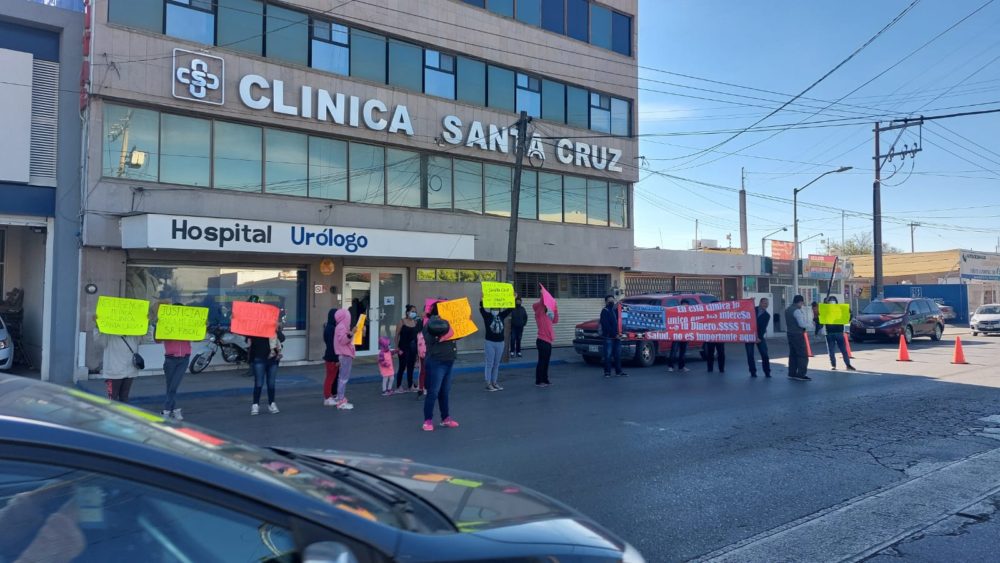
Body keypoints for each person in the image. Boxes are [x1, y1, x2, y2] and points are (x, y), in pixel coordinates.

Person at [422, 305, 459, 431]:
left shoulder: (448, 322)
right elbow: (430, 339)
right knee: (433, 392)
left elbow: (457, 335)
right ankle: (427, 420)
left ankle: (445, 418)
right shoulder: (430, 324)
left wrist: (465, 322)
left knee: (445, 391)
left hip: (449, 360)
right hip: (437, 361)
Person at [247, 296, 284, 415]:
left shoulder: (272, 326)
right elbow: (244, 335)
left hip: (272, 358)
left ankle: (271, 403)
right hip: (259, 357)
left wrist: (276, 329)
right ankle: (255, 405)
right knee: (259, 382)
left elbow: (282, 338)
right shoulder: (253, 327)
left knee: (271, 383)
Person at [93, 314, 142, 402]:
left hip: (129, 372)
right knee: (113, 400)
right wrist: (97, 325)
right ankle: (112, 416)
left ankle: (122, 415)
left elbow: (146, 338)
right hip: (114, 373)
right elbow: (99, 341)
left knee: (124, 398)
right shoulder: (109, 334)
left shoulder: (134, 333)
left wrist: (148, 323)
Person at [156, 303, 191, 419]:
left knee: (173, 385)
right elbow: (157, 340)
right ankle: (174, 409)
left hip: (184, 358)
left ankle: (166, 410)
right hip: (170, 358)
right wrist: (159, 326)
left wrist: (202, 326)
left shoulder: (187, 324)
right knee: (171, 386)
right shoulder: (166, 324)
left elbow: (198, 337)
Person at [480, 301, 512, 391]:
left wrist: (513, 298)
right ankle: (488, 383)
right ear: (490, 309)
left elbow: (510, 308)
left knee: (496, 364)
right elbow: (481, 309)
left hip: (500, 343)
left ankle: (494, 382)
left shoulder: (501, 315)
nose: (495, 310)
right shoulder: (487, 316)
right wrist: (482, 300)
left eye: (497, 308)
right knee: (489, 363)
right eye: (493, 308)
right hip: (490, 342)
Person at [824, 296, 857, 371]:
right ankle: (833, 365)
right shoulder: (825, 310)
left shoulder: (840, 309)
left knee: (843, 350)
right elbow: (820, 320)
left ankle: (847, 365)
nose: (832, 302)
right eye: (831, 301)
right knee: (832, 351)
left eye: (833, 301)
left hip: (838, 332)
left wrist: (849, 312)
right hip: (830, 333)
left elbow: (848, 318)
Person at [333, 308, 357, 409]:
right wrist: (351, 333)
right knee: (343, 378)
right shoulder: (342, 327)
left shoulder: (341, 326)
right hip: (345, 354)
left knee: (342, 378)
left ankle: (340, 397)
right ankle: (341, 401)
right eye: (348, 316)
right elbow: (343, 340)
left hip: (344, 354)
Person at [599, 294, 627, 378]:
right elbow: (606, 326)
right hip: (609, 337)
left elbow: (621, 322)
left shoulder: (616, 311)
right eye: (610, 300)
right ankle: (607, 372)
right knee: (608, 355)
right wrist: (614, 335)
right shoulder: (605, 311)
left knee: (617, 355)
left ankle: (619, 372)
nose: (611, 301)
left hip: (617, 337)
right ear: (606, 302)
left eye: (612, 300)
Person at [394, 305, 421, 392]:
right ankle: (398, 386)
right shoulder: (402, 322)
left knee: (411, 367)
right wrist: (397, 347)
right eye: (412, 311)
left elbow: (417, 337)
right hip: (403, 347)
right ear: (407, 312)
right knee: (402, 367)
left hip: (412, 348)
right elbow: (397, 335)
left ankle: (410, 385)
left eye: (415, 312)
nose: (414, 313)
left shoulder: (415, 322)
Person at [532, 297, 558, 387]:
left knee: (546, 362)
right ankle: (538, 381)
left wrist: (555, 308)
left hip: (548, 341)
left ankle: (545, 379)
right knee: (542, 361)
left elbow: (555, 320)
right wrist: (543, 295)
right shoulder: (539, 314)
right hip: (542, 340)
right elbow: (540, 304)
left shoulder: (548, 315)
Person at [786, 295, 812, 381]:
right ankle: (801, 374)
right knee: (802, 355)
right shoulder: (797, 311)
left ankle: (792, 373)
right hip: (798, 334)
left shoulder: (788, 309)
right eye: (802, 303)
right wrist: (811, 325)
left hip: (790, 333)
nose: (802, 305)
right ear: (800, 302)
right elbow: (801, 324)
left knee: (792, 354)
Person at [746, 297, 772, 378]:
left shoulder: (767, 315)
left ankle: (767, 372)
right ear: (760, 303)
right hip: (749, 336)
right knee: (750, 355)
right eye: (764, 303)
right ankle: (753, 372)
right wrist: (749, 301)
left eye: (767, 303)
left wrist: (759, 338)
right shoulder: (752, 310)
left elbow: (763, 328)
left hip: (759, 337)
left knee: (764, 354)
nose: (766, 305)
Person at [322, 307, 340, 406]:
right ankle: (328, 397)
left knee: (331, 377)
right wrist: (337, 358)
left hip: (329, 355)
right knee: (330, 378)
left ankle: (330, 396)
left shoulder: (328, 327)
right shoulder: (332, 329)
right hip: (332, 357)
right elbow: (334, 345)